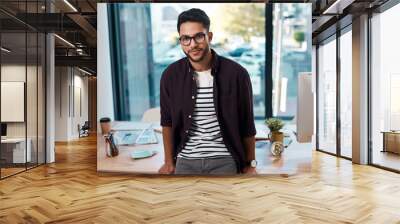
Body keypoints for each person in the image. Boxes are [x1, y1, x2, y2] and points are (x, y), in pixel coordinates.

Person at [158, 8, 257, 175]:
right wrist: (168, 162)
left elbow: (247, 124)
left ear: (209, 36)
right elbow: (167, 122)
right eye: (185, 39)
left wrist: (251, 164)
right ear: (180, 41)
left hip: (225, 159)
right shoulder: (170, 75)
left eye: (198, 36)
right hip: (186, 159)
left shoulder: (237, 74)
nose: (193, 44)